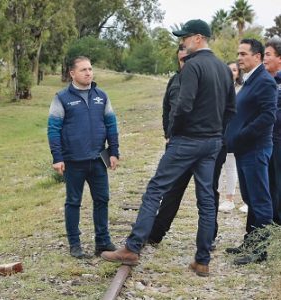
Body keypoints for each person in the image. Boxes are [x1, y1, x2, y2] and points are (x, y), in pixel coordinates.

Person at [101, 19, 236, 277]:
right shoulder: (222, 68)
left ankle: (132, 246)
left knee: (155, 190)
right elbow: (231, 110)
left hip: (187, 140)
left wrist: (174, 133)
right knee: (206, 200)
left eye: (184, 38)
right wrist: (216, 134)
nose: (182, 43)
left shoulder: (192, 67)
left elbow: (182, 106)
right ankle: (202, 260)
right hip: (212, 143)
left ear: (198, 38)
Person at [147, 44, 226, 252]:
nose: (184, 62)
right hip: (179, 143)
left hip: (204, 142)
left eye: (187, 58)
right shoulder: (174, 81)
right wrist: (169, 133)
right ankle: (155, 233)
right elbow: (168, 109)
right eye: (181, 59)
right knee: (172, 191)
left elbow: (222, 109)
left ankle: (209, 239)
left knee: (208, 194)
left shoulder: (205, 75)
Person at [47, 56, 119, 258]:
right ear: (72, 73)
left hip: (98, 159)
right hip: (73, 160)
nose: (88, 73)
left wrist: (114, 151)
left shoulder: (101, 96)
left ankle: (103, 242)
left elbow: (111, 125)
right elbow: (53, 129)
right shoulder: (61, 98)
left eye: (90, 69)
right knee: (73, 202)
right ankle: (75, 244)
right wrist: (57, 157)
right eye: (83, 70)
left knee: (102, 199)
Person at [224, 39, 277, 265]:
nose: (240, 57)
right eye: (238, 54)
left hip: (255, 149)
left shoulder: (264, 81)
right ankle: (250, 242)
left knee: (260, 201)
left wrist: (240, 135)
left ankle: (261, 251)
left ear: (257, 56)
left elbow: (268, 116)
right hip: (244, 150)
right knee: (250, 199)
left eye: (244, 54)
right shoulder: (249, 80)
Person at [218, 62, 243, 212]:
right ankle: (218, 196)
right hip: (219, 131)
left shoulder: (241, 89)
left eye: (234, 70)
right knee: (218, 166)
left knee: (231, 165)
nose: (231, 72)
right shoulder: (219, 88)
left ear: (238, 73)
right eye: (228, 70)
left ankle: (230, 198)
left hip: (234, 131)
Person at [264, 37, 281, 225]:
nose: (264, 58)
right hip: (267, 139)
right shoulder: (267, 80)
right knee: (269, 184)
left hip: (278, 139)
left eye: (268, 55)